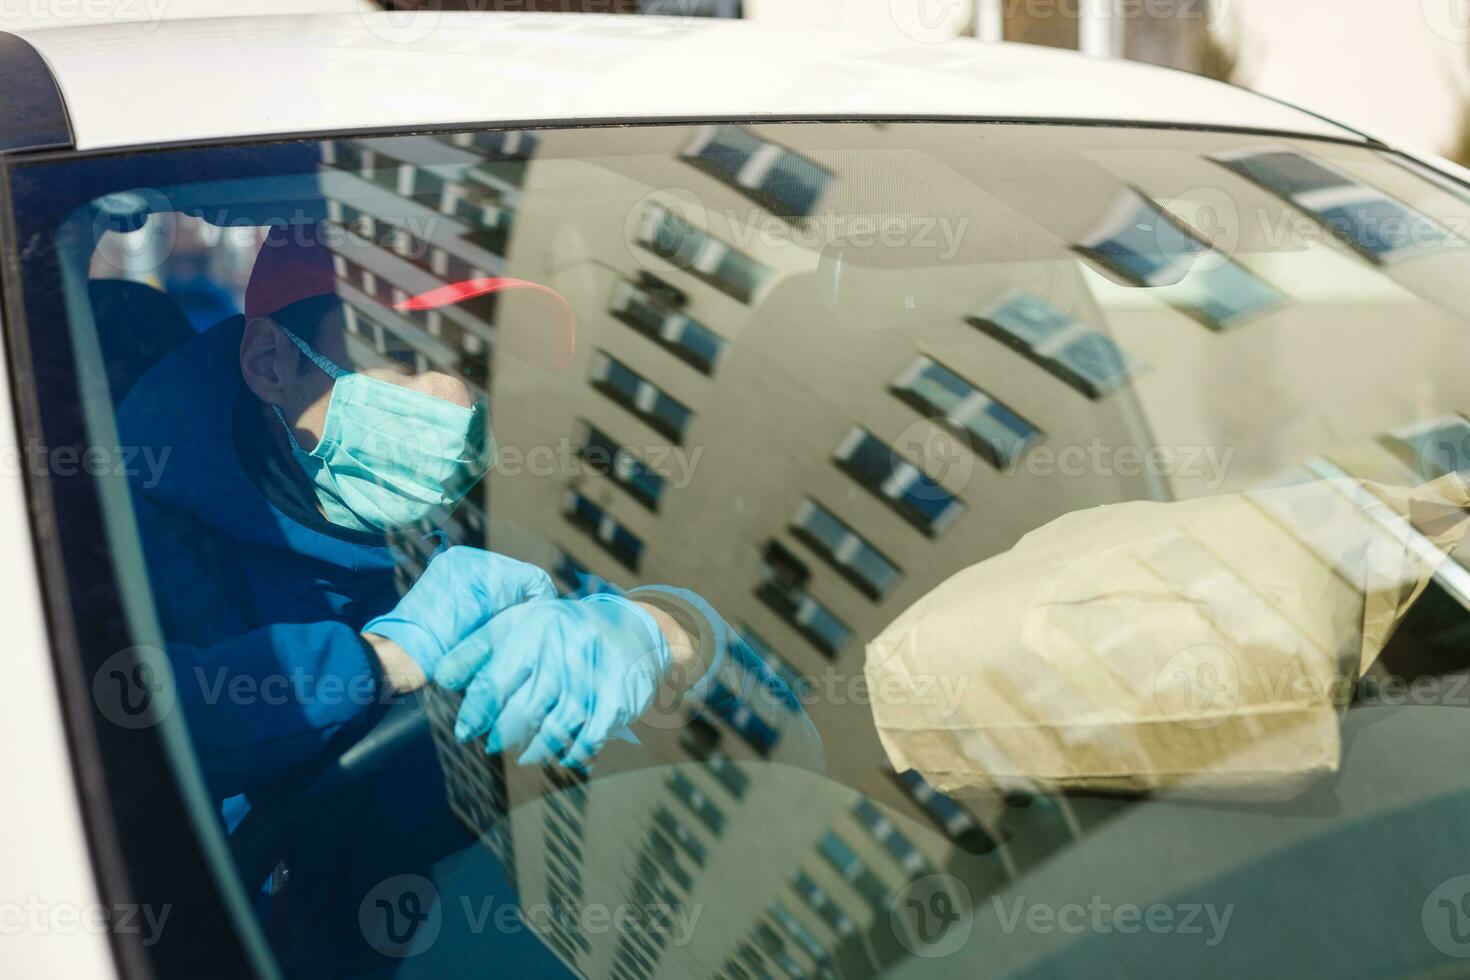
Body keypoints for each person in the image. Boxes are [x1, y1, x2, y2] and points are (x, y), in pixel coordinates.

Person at [115, 225, 730, 832]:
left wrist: (661, 632)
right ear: (271, 363)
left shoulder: (492, 506)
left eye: (474, 361)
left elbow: (775, 693)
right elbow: (99, 734)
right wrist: (380, 661)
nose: (457, 404)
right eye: (403, 354)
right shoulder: (117, 533)